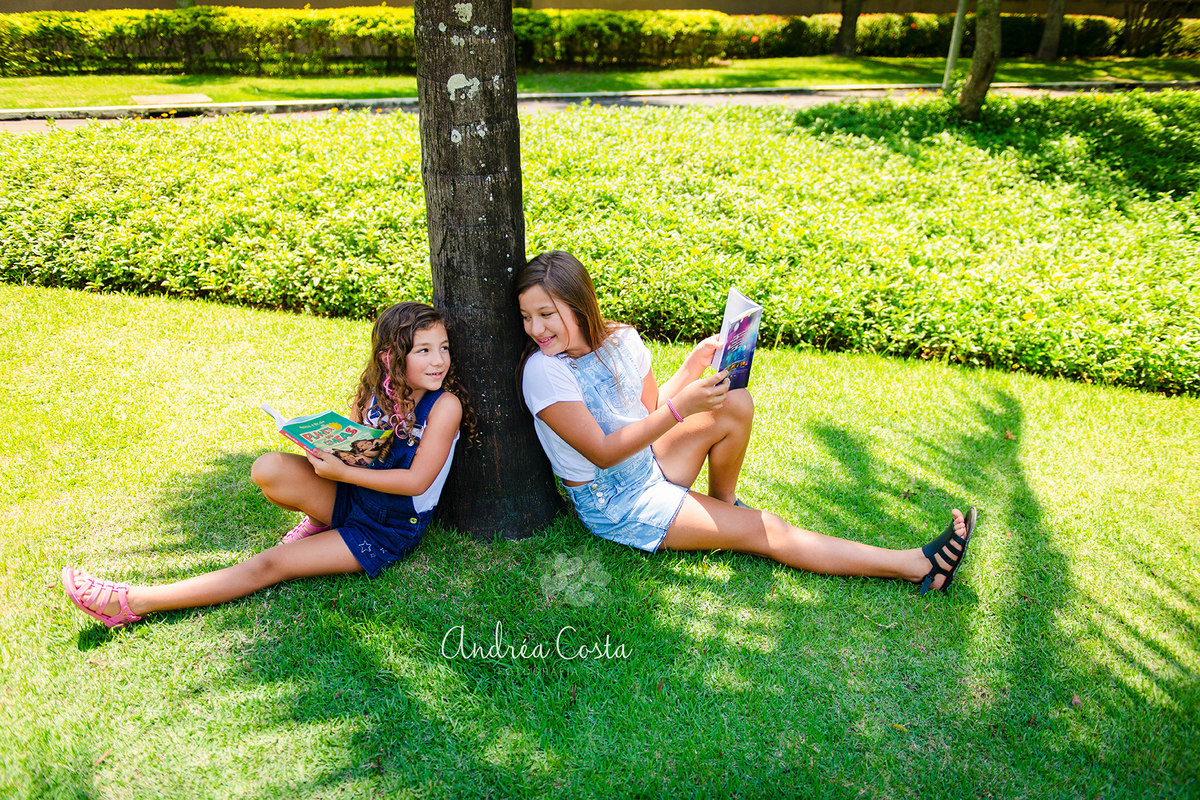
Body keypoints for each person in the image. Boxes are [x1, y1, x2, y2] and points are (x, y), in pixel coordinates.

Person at [516, 251, 977, 593]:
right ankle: (916, 564)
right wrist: (683, 410)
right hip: (616, 501)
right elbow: (603, 450)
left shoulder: (620, 340)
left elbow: (650, 408)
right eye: (527, 317)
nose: (536, 329)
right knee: (767, 530)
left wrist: (693, 366)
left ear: (578, 305)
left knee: (736, 402)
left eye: (546, 314)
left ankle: (722, 505)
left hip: (650, 464)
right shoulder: (545, 372)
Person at [62, 302, 473, 629]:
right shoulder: (374, 391)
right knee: (269, 468)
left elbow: (418, 481)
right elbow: (357, 445)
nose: (439, 360)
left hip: (388, 526)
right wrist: (324, 449)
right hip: (352, 495)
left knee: (270, 564)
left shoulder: (445, 406)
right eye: (424, 350)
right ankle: (321, 520)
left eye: (443, 348)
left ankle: (133, 602)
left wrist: (340, 472)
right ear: (390, 357)